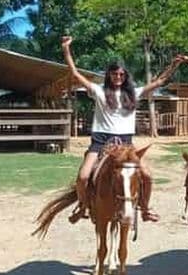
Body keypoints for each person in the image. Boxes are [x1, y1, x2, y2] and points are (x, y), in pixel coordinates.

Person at [61, 36, 180, 223]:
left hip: (126, 144)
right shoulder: (99, 91)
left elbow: (159, 82)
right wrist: (66, 49)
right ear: (109, 75)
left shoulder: (134, 93)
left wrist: (173, 65)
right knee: (83, 177)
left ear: (126, 76)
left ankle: (146, 209)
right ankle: (83, 206)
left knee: (147, 175)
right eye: (115, 74)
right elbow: (76, 74)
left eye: (121, 75)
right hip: (101, 142)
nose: (118, 77)